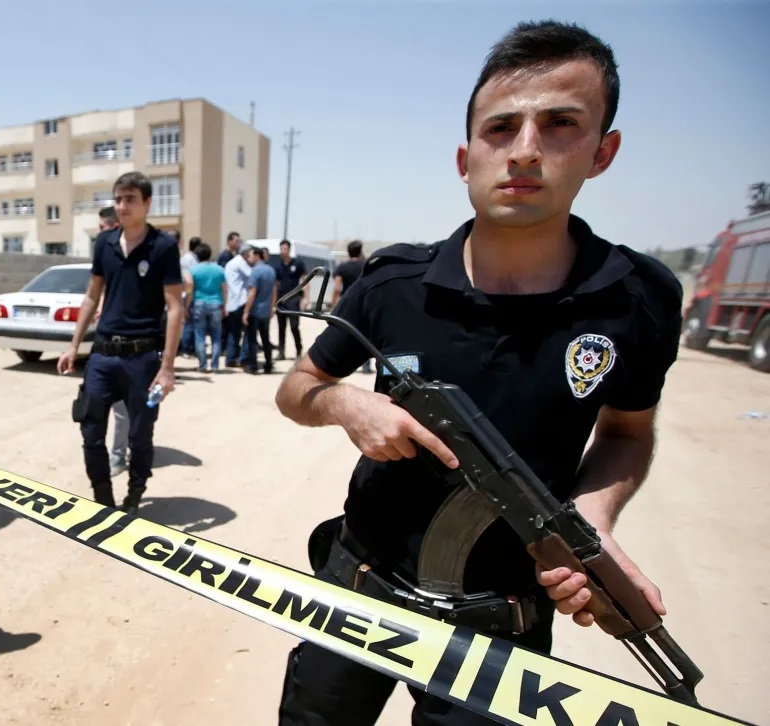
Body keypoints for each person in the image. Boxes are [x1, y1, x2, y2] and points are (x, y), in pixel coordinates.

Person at [274, 21, 683, 724]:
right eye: (501, 128)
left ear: (602, 152)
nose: (524, 150)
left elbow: (626, 432)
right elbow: (297, 388)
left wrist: (589, 524)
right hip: (357, 591)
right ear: (466, 159)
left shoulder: (638, 299)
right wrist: (347, 405)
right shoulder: (393, 283)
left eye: (559, 124)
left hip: (503, 626)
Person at [57, 171, 183, 513]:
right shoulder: (104, 243)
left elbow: (175, 307)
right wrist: (74, 345)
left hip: (142, 358)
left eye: (131, 199)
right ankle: (103, 499)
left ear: (147, 203)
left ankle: (133, 497)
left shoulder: (163, 247)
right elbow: (91, 296)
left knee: (139, 436)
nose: (123, 206)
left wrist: (167, 368)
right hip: (102, 355)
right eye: (119, 199)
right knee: (90, 429)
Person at [96, 205, 132, 478]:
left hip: (131, 344)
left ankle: (119, 456)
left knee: (123, 406)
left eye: (102, 228)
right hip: (106, 342)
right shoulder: (106, 254)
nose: (99, 233)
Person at [330, 240, 373, 373]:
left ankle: (344, 364)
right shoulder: (367, 265)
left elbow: (337, 288)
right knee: (365, 335)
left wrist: (334, 306)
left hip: (348, 304)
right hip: (366, 303)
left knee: (346, 333)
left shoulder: (342, 267)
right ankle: (366, 365)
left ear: (348, 252)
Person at [188, 242, 226, 372]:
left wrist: (187, 307)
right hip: (216, 303)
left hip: (199, 303)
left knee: (200, 336)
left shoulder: (193, 270)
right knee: (216, 337)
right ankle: (215, 365)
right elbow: (224, 289)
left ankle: (202, 365)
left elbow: (190, 290)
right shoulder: (219, 269)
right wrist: (224, 305)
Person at [242, 246, 278, 373]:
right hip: (266, 311)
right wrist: (272, 307)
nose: (250, 258)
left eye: (251, 256)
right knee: (265, 338)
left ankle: (253, 366)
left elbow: (252, 292)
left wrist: (246, 311)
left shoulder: (255, 271)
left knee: (252, 339)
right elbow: (274, 291)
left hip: (255, 311)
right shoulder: (271, 270)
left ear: (257, 256)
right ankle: (268, 364)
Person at [273, 239, 305, 360]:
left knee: (294, 326)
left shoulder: (298, 263)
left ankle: (298, 351)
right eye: (281, 249)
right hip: (281, 300)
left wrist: (305, 298)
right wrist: (274, 303)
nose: (283, 251)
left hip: (294, 299)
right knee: (281, 327)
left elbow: (305, 281)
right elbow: (275, 285)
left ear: (289, 250)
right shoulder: (278, 266)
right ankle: (281, 352)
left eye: (285, 248)